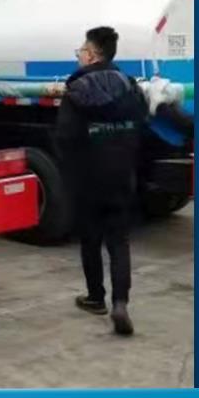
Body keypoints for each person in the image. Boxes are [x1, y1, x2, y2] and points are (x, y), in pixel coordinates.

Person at [55, 26, 147, 336]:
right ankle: (120, 304)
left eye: (81, 50)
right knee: (119, 241)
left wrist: (72, 172)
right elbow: (141, 123)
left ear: (93, 54)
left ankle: (96, 298)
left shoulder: (76, 90)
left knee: (91, 240)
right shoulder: (129, 86)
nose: (79, 55)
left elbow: (65, 138)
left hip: (88, 178)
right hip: (121, 174)